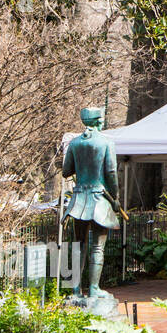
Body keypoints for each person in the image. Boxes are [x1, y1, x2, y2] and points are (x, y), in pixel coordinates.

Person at [62, 107, 120, 312]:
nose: (103, 123)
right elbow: (111, 172)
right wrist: (116, 198)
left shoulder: (75, 143)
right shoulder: (106, 142)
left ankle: (76, 289)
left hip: (79, 199)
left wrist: (81, 165)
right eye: (102, 119)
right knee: (97, 246)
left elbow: (66, 171)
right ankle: (94, 288)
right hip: (99, 199)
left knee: (78, 246)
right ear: (96, 121)